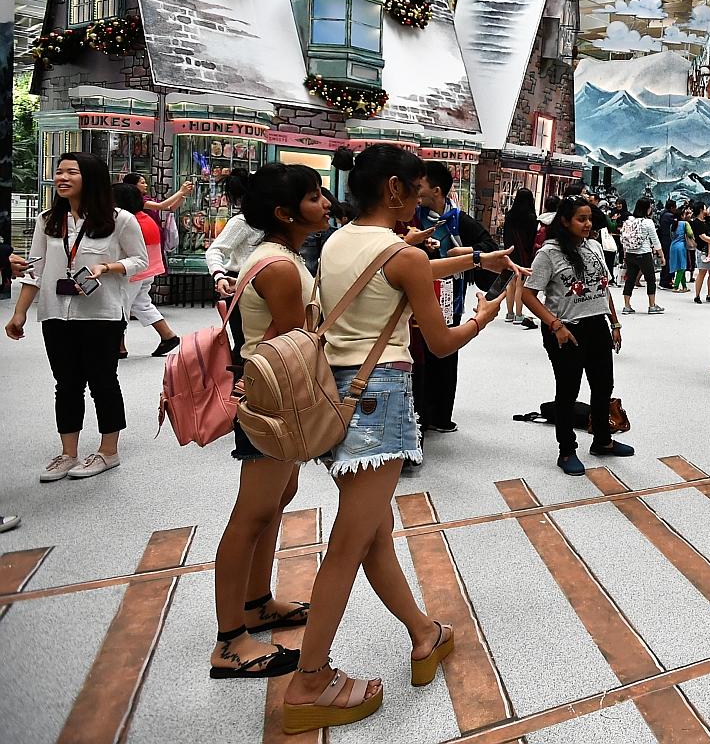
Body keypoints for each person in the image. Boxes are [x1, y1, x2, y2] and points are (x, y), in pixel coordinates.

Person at [281, 145, 505, 734]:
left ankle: (423, 633)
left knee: (373, 532)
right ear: (395, 190)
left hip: (337, 389)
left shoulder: (336, 241)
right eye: (416, 189)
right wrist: (483, 316)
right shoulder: (400, 252)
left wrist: (476, 259)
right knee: (351, 543)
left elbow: (402, 274)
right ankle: (309, 681)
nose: (421, 200)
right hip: (379, 397)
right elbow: (441, 341)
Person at [209, 163, 332, 680]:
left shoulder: (278, 256)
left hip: (271, 396)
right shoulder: (280, 266)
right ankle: (229, 641)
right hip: (272, 400)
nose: (325, 202)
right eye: (312, 197)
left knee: (273, 504)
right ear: (285, 213)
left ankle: (257, 603)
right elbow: (293, 341)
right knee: (252, 513)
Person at [7, 153, 148, 481]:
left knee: (103, 382)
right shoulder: (47, 220)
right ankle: (67, 454)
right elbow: (35, 269)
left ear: (92, 178)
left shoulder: (119, 220)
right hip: (56, 313)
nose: (62, 177)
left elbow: (140, 260)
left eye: (72, 172)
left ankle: (108, 451)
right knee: (66, 384)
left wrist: (108, 267)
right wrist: (19, 314)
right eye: (59, 171)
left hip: (101, 314)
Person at [520, 195, 635, 475]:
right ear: (564, 221)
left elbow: (601, 288)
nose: (587, 224)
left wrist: (615, 322)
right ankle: (566, 450)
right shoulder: (548, 254)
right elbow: (527, 294)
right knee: (568, 391)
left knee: (603, 385)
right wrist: (555, 325)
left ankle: (602, 441)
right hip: (566, 330)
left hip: (597, 326)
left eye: (589, 219)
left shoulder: (592, 247)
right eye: (581, 219)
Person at [409, 161, 506, 439]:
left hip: (450, 294)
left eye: (421, 186)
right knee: (420, 353)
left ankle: (440, 414)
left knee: (447, 351)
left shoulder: (458, 219)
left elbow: (488, 247)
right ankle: (419, 416)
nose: (416, 190)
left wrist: (467, 252)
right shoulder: (412, 218)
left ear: (437, 190)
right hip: (417, 293)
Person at [112, 183, 180, 357]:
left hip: (132, 272)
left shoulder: (126, 221)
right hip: (148, 270)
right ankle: (167, 335)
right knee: (141, 304)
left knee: (121, 307)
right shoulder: (145, 218)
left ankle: (118, 346)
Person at [206, 170, 263, 354]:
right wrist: (219, 275)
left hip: (262, 283)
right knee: (245, 344)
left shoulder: (271, 222)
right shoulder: (241, 222)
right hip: (239, 283)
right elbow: (215, 250)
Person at [501, 188, 540, 327]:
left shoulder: (510, 215)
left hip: (510, 251)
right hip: (524, 253)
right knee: (520, 284)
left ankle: (509, 313)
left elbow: (505, 235)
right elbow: (531, 239)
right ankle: (518, 314)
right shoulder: (531, 217)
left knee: (510, 283)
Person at [620, 198, 665, 315]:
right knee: (650, 279)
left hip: (630, 254)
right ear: (647, 208)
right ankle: (652, 305)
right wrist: (662, 256)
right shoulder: (648, 222)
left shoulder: (629, 221)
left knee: (630, 279)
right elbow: (655, 241)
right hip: (644, 254)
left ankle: (627, 306)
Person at [123, 172, 195, 214]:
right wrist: (181, 191)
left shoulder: (147, 198)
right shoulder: (137, 202)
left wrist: (183, 194)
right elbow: (161, 206)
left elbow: (171, 208)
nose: (146, 185)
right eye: (142, 183)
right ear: (133, 185)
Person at [668, 205, 695, 293]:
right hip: (681, 246)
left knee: (679, 266)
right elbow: (690, 234)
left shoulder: (672, 225)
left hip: (673, 246)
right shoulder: (685, 223)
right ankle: (676, 286)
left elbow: (671, 236)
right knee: (682, 267)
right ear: (682, 216)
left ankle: (684, 286)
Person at [655, 200, 678, 288]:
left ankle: (666, 280)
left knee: (667, 261)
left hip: (664, 240)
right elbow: (677, 221)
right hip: (667, 241)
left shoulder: (663, 214)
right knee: (668, 261)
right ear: (672, 207)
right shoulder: (669, 216)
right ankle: (665, 281)